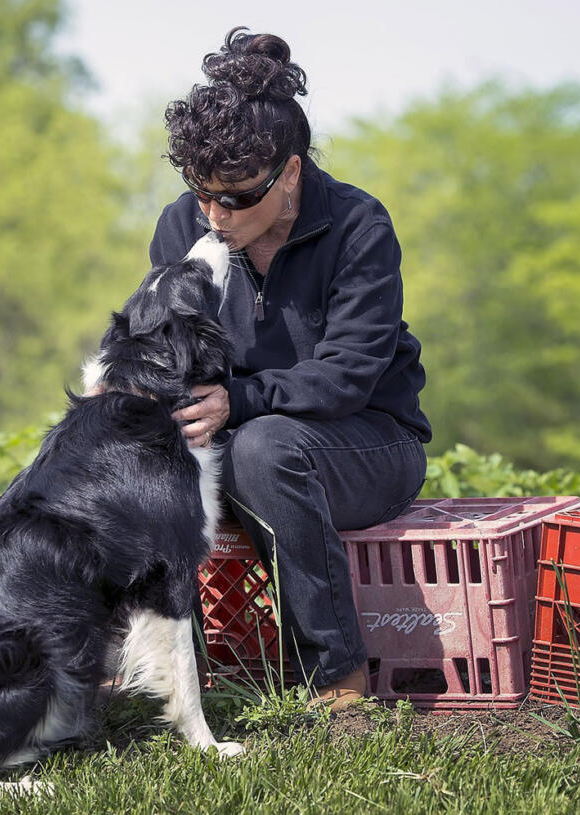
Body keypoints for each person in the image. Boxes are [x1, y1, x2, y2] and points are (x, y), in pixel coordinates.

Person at [149, 27, 432, 710]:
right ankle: (155, 674)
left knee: (265, 445)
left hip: (368, 441)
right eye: (202, 193)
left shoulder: (360, 226)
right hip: (237, 438)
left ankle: (336, 674)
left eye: (238, 197)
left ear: (292, 172)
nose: (215, 217)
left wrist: (236, 402)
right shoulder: (181, 224)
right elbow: (174, 351)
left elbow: (347, 377)